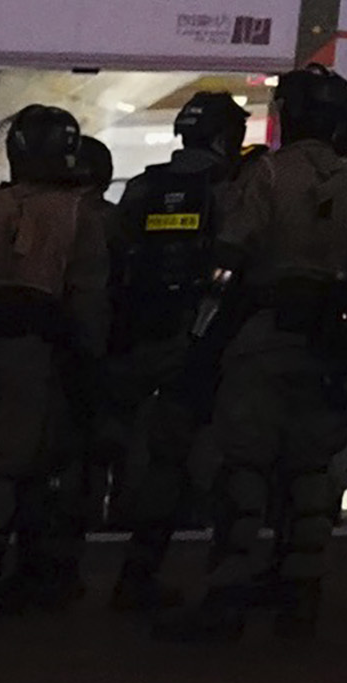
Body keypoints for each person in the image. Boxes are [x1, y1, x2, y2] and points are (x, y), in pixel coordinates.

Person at [163, 66, 347, 644]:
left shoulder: (266, 172)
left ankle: (228, 594)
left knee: (245, 467)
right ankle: (300, 592)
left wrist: (202, 336)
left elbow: (230, 257)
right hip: (327, 340)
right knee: (311, 470)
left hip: (263, 332)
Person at [0, 106, 111, 612]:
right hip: (35, 351)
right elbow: (88, 299)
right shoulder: (77, 212)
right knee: (5, 465)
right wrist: (90, 366)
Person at [104, 88, 252, 610]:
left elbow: (117, 260)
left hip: (144, 337)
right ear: (225, 138)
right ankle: (220, 585)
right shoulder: (231, 190)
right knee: (226, 465)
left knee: (154, 460)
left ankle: (135, 572)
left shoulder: (144, 187)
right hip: (208, 345)